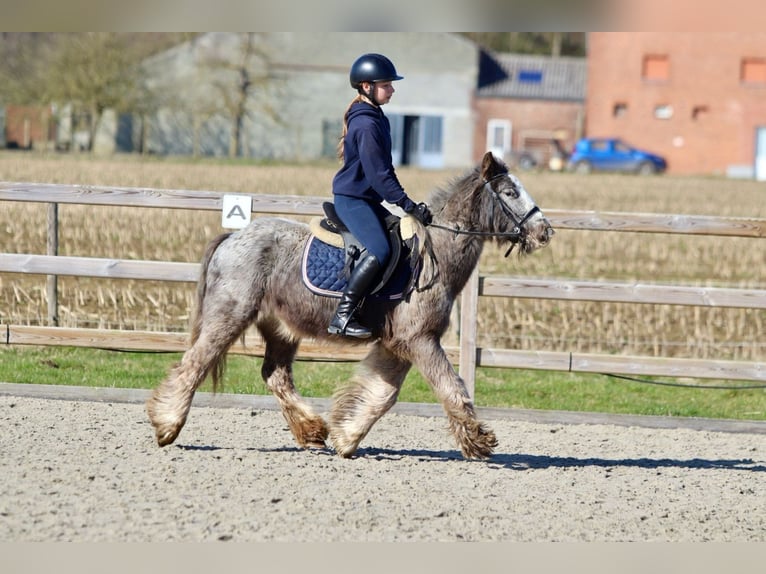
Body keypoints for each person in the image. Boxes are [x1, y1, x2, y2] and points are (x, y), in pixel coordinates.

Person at [328, 53, 432, 339]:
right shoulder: (367, 124)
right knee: (381, 250)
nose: (392, 89)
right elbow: (379, 176)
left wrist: (408, 204)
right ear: (366, 87)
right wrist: (408, 205)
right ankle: (343, 315)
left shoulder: (376, 117)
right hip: (353, 200)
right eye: (386, 84)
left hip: (367, 199)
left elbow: (386, 171)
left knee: (400, 241)